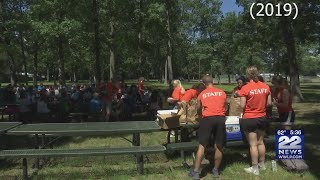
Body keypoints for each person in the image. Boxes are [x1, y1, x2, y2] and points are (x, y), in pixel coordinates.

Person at [189, 75, 227, 179]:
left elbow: (198, 109)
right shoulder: (222, 92)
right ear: (212, 82)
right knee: (218, 145)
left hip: (207, 119)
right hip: (220, 118)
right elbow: (225, 106)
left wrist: (199, 116)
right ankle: (215, 170)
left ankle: (196, 172)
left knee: (202, 145)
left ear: (204, 84)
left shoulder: (202, 94)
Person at [238, 66, 272, 176]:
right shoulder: (266, 87)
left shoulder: (245, 88)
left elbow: (242, 105)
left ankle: (255, 167)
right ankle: (262, 164)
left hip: (249, 118)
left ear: (248, 75)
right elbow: (269, 104)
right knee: (261, 142)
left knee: (253, 145)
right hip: (262, 117)